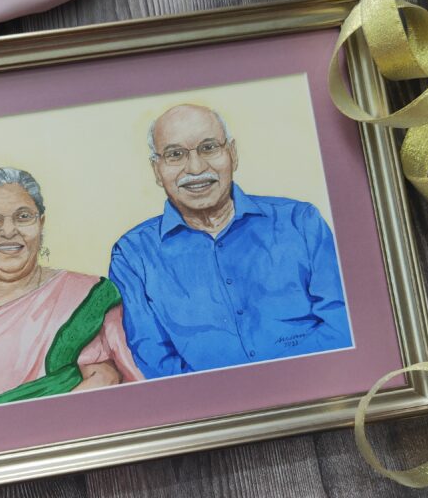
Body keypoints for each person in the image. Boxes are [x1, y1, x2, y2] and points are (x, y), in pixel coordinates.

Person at [108, 104, 352, 379]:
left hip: (317, 383)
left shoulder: (301, 222)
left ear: (232, 154)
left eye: (209, 147)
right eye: (175, 154)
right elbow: (155, 361)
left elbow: (344, 323)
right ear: (157, 169)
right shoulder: (132, 256)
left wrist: (286, 382)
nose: (196, 168)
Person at [0, 167, 142, 413]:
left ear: (41, 224)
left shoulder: (86, 295)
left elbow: (105, 378)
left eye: (23, 216)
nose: (8, 231)